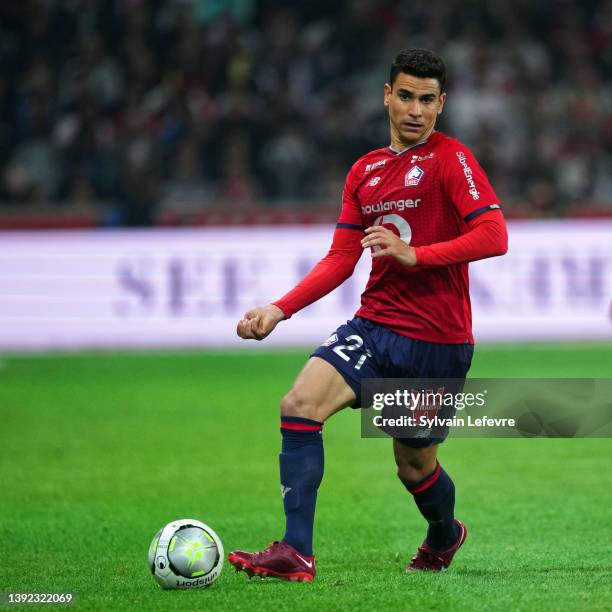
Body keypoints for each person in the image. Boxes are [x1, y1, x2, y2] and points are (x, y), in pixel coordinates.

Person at [228, 48, 508, 581]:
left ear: (442, 103)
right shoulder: (365, 171)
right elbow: (340, 259)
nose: (416, 110)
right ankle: (296, 551)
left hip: (437, 342)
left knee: (414, 465)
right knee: (300, 403)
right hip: (375, 326)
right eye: (406, 96)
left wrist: (415, 255)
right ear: (387, 96)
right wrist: (278, 309)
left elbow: (495, 236)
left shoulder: (453, 160)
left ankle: (445, 533)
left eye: (428, 100)